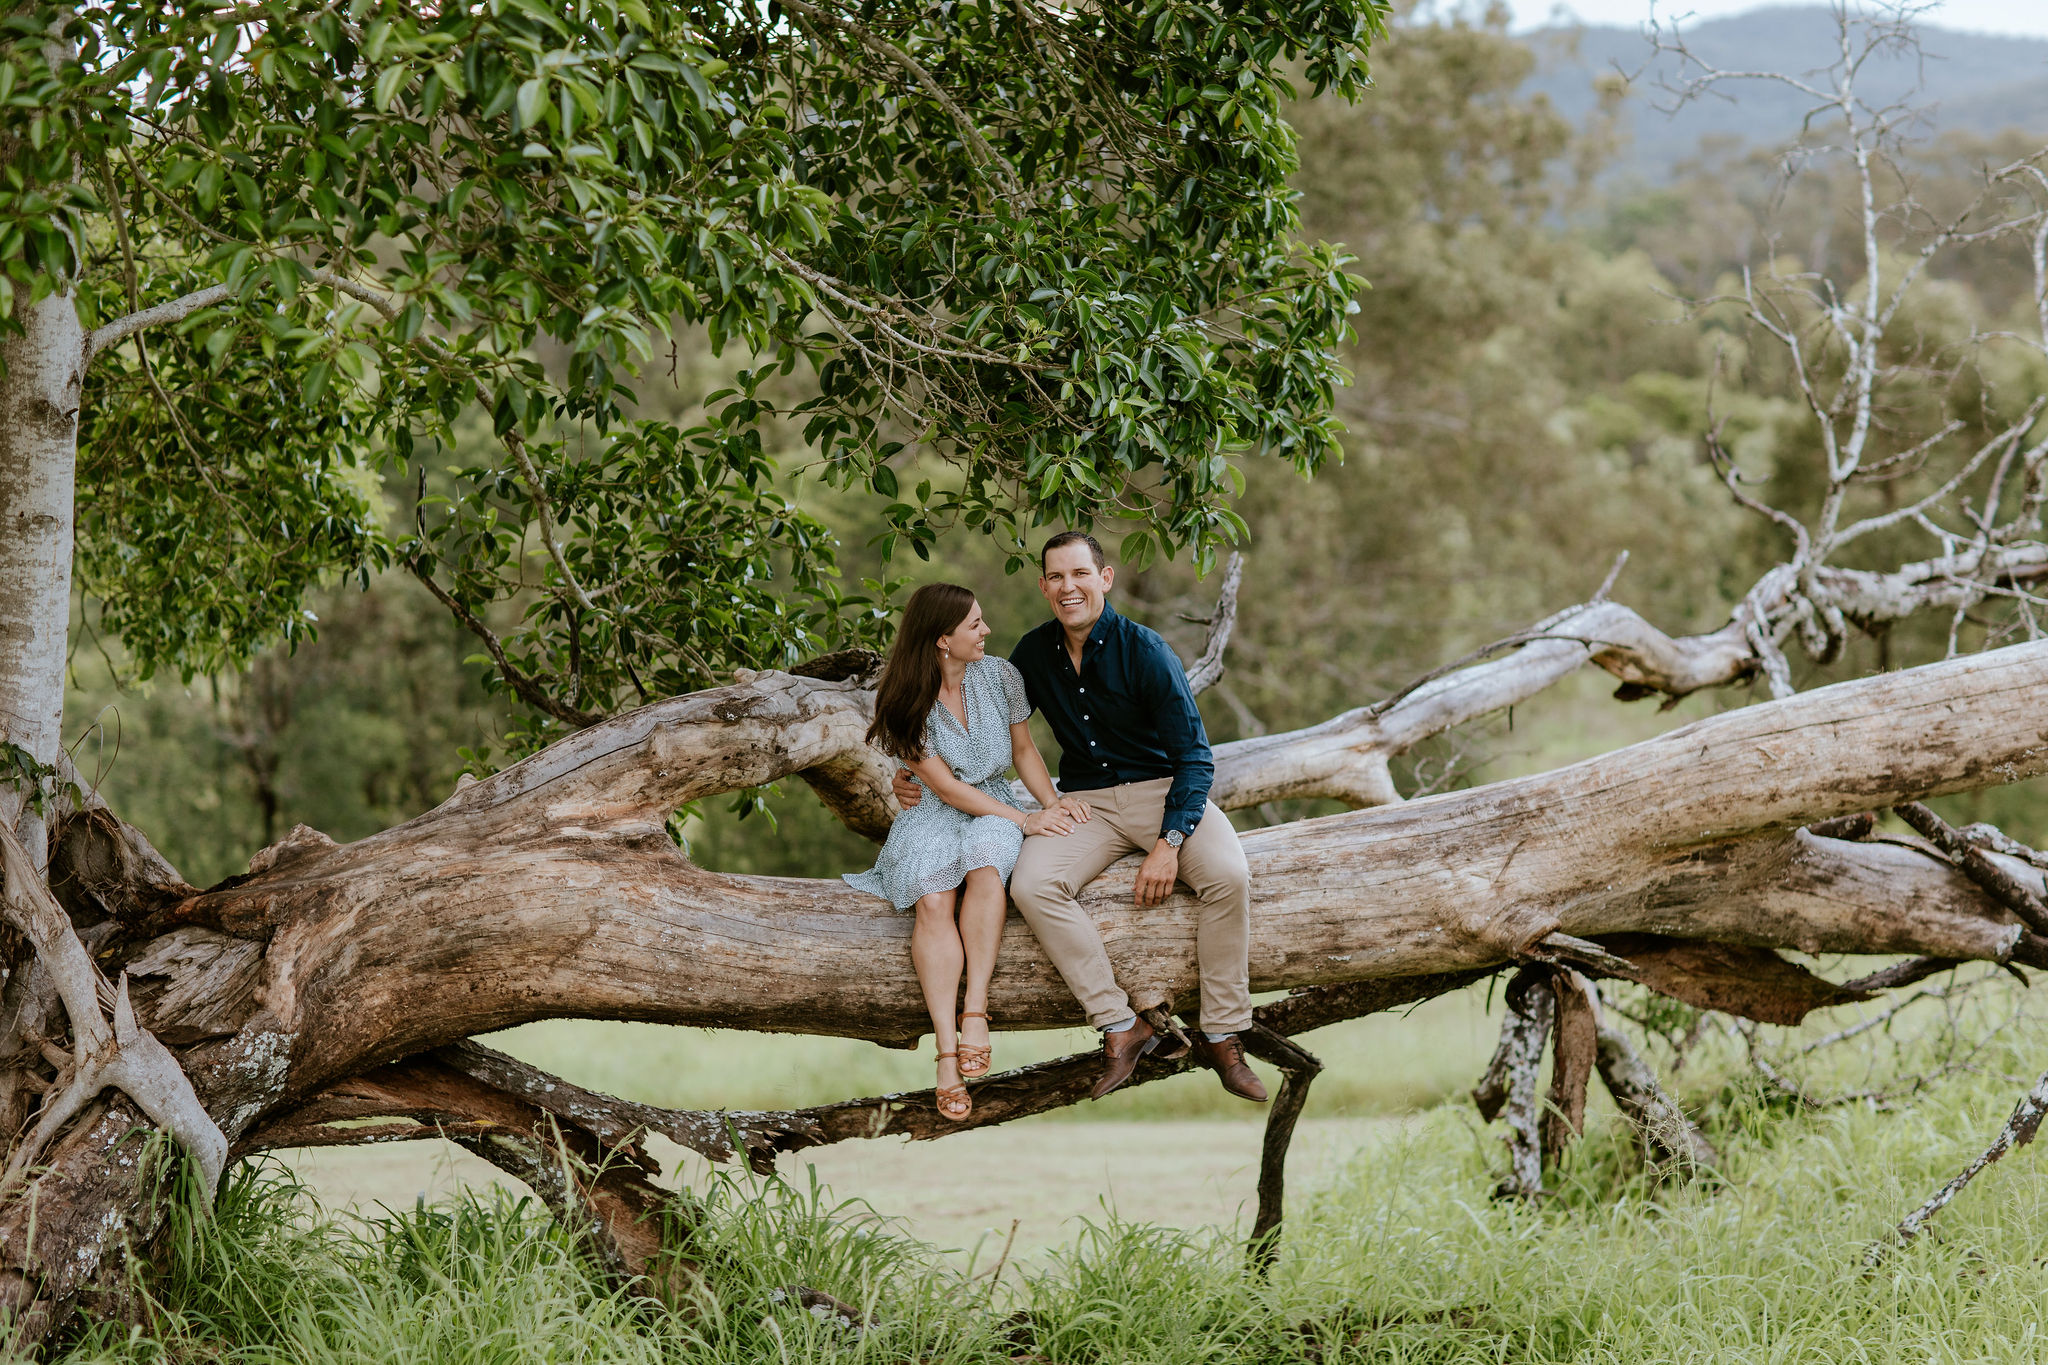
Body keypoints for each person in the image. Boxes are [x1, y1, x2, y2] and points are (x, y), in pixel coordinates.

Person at [892, 532, 1265, 1104]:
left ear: (1104, 579)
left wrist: (1170, 841)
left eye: (1080, 575)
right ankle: (1120, 1027)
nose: (1070, 588)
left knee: (1229, 876)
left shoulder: (1146, 650)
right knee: (1036, 885)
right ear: (1044, 587)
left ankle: (1222, 1034)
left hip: (1162, 790)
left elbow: (1195, 756)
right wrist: (915, 777)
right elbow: (989, 724)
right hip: (1085, 801)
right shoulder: (1031, 656)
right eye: (1057, 578)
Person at [845, 582, 1091, 1122]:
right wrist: (1028, 819)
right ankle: (947, 1053)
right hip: (934, 809)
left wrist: (1050, 804)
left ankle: (975, 1011)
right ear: (941, 640)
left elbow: (1024, 750)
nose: (986, 631)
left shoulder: (1000, 675)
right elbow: (949, 791)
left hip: (996, 804)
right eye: (974, 624)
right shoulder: (904, 699)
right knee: (932, 898)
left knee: (986, 863)